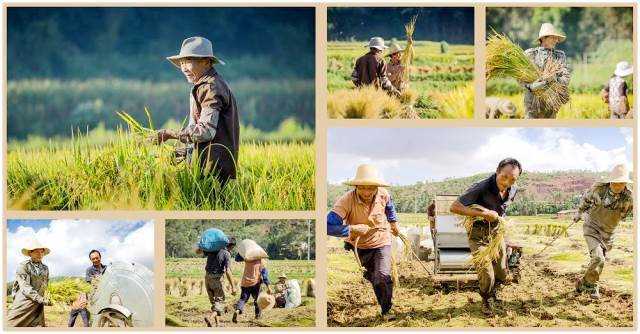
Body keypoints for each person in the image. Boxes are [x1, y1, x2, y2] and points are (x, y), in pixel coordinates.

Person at [153, 36, 240, 188]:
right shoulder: (205, 85)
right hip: (207, 167)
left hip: (212, 172)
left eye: (189, 61)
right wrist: (186, 152)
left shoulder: (210, 87)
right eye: (182, 62)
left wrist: (169, 134)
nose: (184, 68)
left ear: (206, 62)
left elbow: (206, 131)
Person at [327, 164, 400, 320]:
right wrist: (352, 229)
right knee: (374, 277)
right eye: (362, 188)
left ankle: (387, 309)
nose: (367, 192)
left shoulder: (383, 194)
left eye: (371, 188)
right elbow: (327, 226)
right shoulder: (345, 201)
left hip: (382, 241)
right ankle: (379, 288)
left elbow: (390, 207)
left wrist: (393, 223)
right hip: (360, 246)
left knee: (382, 275)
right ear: (356, 186)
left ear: (376, 187)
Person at [450, 158, 521, 316]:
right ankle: (486, 298)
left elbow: (502, 209)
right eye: (504, 177)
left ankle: (495, 291)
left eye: (512, 179)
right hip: (478, 234)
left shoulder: (513, 189)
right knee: (486, 272)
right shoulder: (481, 187)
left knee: (502, 270)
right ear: (497, 171)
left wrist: (501, 222)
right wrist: (483, 213)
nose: (507, 182)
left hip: (496, 233)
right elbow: (454, 207)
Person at [574, 164, 633, 299]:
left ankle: (585, 283)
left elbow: (627, 215)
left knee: (599, 261)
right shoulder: (599, 190)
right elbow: (585, 200)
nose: (618, 186)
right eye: (615, 183)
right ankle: (592, 285)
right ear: (610, 181)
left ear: (625, 183)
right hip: (592, 228)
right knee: (598, 257)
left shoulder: (629, 198)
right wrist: (579, 213)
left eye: (621, 183)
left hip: (608, 234)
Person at [522, 23, 571, 119]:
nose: (556, 41)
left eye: (556, 38)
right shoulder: (530, 54)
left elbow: (566, 77)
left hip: (552, 103)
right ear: (543, 38)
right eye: (553, 37)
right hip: (532, 103)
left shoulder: (560, 56)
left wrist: (554, 78)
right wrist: (531, 86)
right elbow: (520, 76)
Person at [7, 240, 52, 327]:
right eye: (36, 251)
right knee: (11, 324)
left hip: (38, 303)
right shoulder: (23, 266)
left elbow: (45, 284)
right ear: (30, 253)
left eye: (41, 252)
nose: (40, 254)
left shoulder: (45, 268)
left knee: (36, 325)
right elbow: (25, 287)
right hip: (24, 301)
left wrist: (47, 296)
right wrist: (40, 298)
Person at [201, 237, 237, 327]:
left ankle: (218, 324)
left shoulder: (213, 250)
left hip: (207, 278)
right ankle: (209, 318)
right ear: (232, 246)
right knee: (220, 302)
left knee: (214, 303)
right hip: (216, 279)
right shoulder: (226, 254)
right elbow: (228, 271)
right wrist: (233, 287)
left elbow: (199, 251)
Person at [232, 255, 271, 322]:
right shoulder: (261, 261)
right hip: (256, 283)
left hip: (245, 283)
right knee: (257, 300)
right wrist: (268, 287)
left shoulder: (247, 259)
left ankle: (237, 310)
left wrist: (242, 253)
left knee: (243, 299)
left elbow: (237, 259)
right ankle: (257, 316)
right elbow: (264, 275)